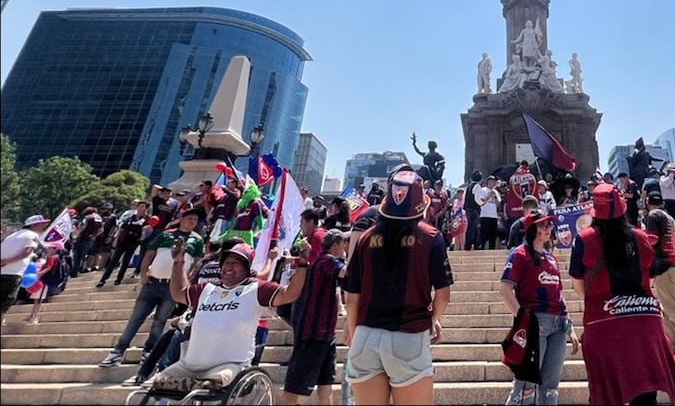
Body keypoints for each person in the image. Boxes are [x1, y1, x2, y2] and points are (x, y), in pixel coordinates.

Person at [568, 184, 675, 406]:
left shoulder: (584, 239)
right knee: (646, 392)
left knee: (605, 391)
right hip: (645, 320)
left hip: (603, 320)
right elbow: (651, 278)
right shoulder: (641, 237)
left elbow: (578, 286)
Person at [343, 165, 454, 405]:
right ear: (421, 204)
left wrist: (354, 334)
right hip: (409, 335)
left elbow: (351, 298)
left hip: (365, 336)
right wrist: (432, 321)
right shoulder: (431, 237)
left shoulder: (364, 238)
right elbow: (443, 296)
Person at [150, 240, 306, 392]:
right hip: (188, 366)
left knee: (211, 384)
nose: (229, 266)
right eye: (226, 262)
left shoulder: (257, 288)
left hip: (229, 366)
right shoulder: (206, 289)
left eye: (236, 263)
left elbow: (290, 293)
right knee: (156, 383)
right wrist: (178, 262)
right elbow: (178, 293)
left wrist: (303, 264)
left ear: (246, 269)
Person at [98, 208, 205, 368]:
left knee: (160, 320)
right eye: (189, 218)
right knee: (136, 318)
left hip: (172, 287)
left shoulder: (197, 240)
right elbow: (149, 254)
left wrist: (188, 279)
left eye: (195, 220)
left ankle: (148, 351)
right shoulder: (165, 234)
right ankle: (117, 351)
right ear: (181, 219)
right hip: (152, 282)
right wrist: (143, 274)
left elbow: (196, 263)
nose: (192, 222)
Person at [500, 210, 580, 405]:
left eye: (550, 225)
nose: (549, 228)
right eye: (544, 225)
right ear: (531, 229)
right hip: (535, 322)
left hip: (558, 325)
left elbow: (559, 295)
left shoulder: (551, 259)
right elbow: (505, 288)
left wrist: (571, 329)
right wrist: (523, 319)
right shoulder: (519, 254)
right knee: (525, 385)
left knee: (551, 386)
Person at [283, 230, 348, 404]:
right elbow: (346, 273)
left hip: (326, 335)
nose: (346, 246)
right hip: (313, 334)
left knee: (325, 384)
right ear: (335, 244)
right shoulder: (327, 260)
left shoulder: (322, 261)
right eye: (344, 242)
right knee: (294, 386)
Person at [643, 192, 675, 362]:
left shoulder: (653, 215)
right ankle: (674, 347)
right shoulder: (669, 218)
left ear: (647, 202)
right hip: (674, 265)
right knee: (666, 310)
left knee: (673, 310)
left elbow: (651, 239)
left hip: (664, 267)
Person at [1, 214, 49, 318]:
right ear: (34, 225)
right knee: (6, 303)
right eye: (42, 224)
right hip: (13, 273)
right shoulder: (32, 235)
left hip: (3, 272)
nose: (44, 227)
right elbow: (26, 253)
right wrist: (6, 261)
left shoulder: (11, 236)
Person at [98, 200, 149, 287]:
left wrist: (142, 236)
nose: (140, 208)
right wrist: (115, 239)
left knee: (126, 261)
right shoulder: (131, 217)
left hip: (134, 241)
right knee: (114, 260)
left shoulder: (147, 219)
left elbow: (147, 231)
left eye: (143, 206)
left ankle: (119, 279)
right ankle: (103, 279)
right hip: (123, 240)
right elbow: (122, 228)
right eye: (139, 206)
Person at [476, 175, 502, 250]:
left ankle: (492, 249)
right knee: (483, 234)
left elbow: (498, 204)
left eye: (494, 182)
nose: (492, 183)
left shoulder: (496, 192)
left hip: (494, 216)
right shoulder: (483, 190)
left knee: (493, 235)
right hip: (485, 215)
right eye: (491, 181)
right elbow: (482, 202)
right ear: (487, 182)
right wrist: (489, 195)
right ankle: (482, 248)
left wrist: (495, 197)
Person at [464, 171, 483, 250]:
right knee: (474, 227)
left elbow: (464, 198)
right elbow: (477, 199)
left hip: (468, 209)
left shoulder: (468, 186)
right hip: (474, 209)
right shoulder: (477, 186)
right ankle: (475, 244)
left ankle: (468, 244)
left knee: (469, 227)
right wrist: (482, 203)